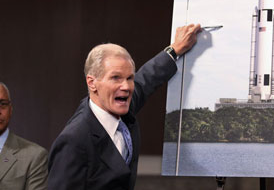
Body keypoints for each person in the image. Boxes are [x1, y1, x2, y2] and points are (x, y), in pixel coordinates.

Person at [48, 23, 201, 190]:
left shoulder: (118, 105)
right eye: (115, 78)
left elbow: (147, 79)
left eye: (129, 78)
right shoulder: (74, 140)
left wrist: (175, 49)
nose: (126, 87)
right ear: (92, 83)